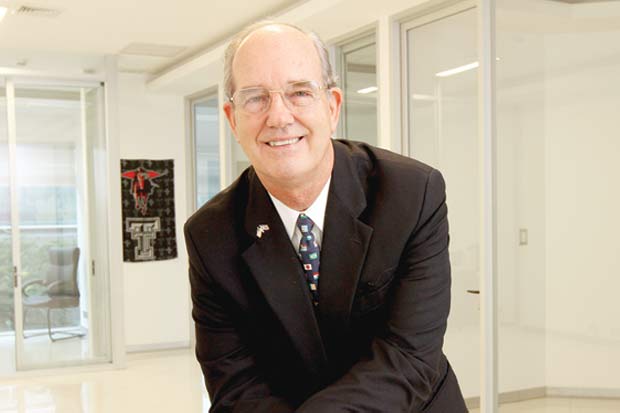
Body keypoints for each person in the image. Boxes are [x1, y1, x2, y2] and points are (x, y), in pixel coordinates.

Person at [184, 20, 467, 413]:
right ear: (232, 119)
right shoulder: (210, 235)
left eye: (300, 93)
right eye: (256, 98)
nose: (279, 117)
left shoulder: (411, 193)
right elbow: (235, 382)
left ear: (332, 107)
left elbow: (408, 355)